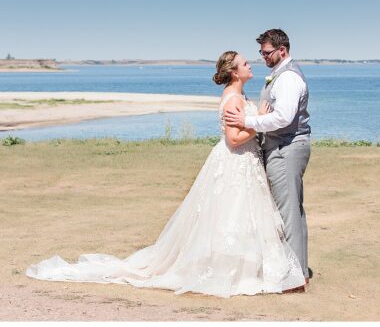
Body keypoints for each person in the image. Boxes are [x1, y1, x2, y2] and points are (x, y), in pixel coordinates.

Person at [26, 51, 306, 298]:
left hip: (246, 161)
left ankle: (246, 266)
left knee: (240, 214)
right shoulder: (233, 99)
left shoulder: (240, 95)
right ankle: (230, 269)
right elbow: (234, 139)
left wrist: (255, 119)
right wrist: (259, 124)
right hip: (236, 160)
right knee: (232, 213)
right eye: (246, 63)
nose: (251, 65)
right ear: (234, 72)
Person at [224, 30, 311, 292]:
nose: (262, 58)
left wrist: (248, 122)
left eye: (266, 53)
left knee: (288, 212)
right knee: (292, 209)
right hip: (283, 146)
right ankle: (299, 271)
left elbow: (283, 117)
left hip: (286, 147)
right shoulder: (280, 76)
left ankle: (294, 278)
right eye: (261, 53)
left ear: (281, 50)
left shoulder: (288, 79)